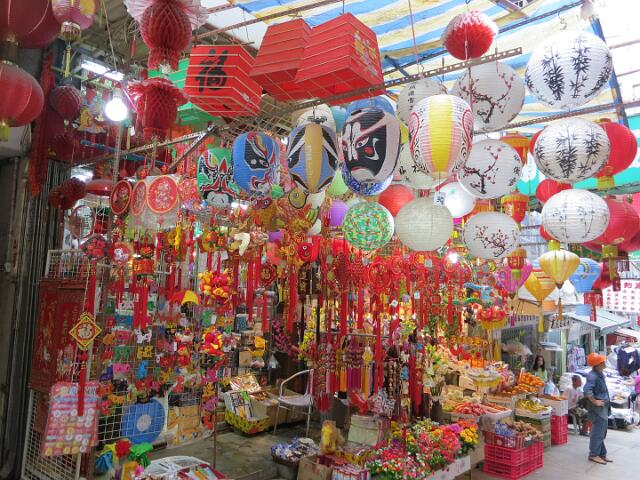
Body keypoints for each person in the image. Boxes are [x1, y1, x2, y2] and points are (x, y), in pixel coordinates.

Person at [584, 353, 611, 465]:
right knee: (598, 432)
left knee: (602, 432)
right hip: (597, 409)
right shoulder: (592, 376)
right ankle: (593, 454)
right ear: (597, 364)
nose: (604, 363)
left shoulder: (600, 374)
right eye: (602, 362)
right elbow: (587, 390)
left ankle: (601, 454)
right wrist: (595, 401)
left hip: (603, 407)